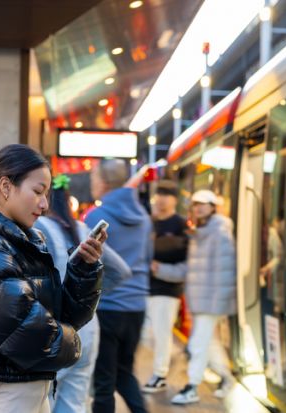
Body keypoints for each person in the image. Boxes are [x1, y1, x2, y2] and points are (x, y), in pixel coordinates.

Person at [0, 144, 106, 413]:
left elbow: (65, 316)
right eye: (38, 192)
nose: (44, 204)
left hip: (28, 392)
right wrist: (76, 344)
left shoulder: (20, 243)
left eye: (47, 194)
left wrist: (83, 269)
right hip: (4, 398)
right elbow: (31, 337)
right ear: (6, 187)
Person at [34, 174, 132, 413]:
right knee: (75, 405)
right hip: (88, 330)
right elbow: (121, 271)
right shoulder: (82, 228)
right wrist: (87, 297)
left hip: (54, 331)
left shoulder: (38, 229)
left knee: (43, 403)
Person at [152, 189, 236, 405]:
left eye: (203, 204)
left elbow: (227, 271)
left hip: (210, 301)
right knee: (209, 344)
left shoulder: (219, 232)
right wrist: (159, 269)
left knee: (198, 344)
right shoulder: (200, 233)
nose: (198, 208)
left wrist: (218, 303)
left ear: (212, 207)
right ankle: (227, 379)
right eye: (195, 204)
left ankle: (192, 387)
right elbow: (188, 270)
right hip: (199, 300)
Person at [86, 159, 152, 413]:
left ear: (103, 183)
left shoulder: (95, 217)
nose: (92, 185)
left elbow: (88, 263)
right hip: (136, 307)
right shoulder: (144, 218)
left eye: (93, 179)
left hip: (107, 307)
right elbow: (147, 257)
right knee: (125, 372)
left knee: (103, 382)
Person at [142, 180, 188, 393]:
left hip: (168, 289)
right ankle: (167, 362)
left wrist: (159, 267)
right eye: (158, 194)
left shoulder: (180, 224)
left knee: (160, 333)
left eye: (166, 195)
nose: (161, 199)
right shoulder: (148, 222)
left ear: (175, 200)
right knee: (146, 334)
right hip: (145, 287)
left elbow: (187, 260)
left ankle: (160, 374)